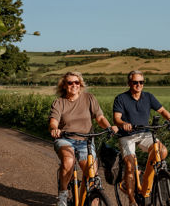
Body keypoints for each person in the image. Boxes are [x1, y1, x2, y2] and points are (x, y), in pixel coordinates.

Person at [49, 71, 118, 206]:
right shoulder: (59, 102)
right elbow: (53, 121)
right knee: (69, 161)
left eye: (77, 82)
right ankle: (62, 195)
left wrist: (109, 127)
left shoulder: (89, 98)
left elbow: (100, 118)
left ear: (80, 85)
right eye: (70, 83)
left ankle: (92, 199)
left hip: (86, 139)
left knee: (92, 174)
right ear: (64, 86)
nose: (74, 85)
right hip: (65, 138)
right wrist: (54, 129)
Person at [113, 70, 170, 206]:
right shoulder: (121, 98)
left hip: (145, 133)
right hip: (127, 136)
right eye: (135, 82)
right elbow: (117, 118)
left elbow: (162, 110)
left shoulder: (148, 97)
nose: (138, 85)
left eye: (141, 82)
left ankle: (145, 188)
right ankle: (131, 200)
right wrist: (124, 124)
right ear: (129, 83)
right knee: (130, 165)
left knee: (162, 151)